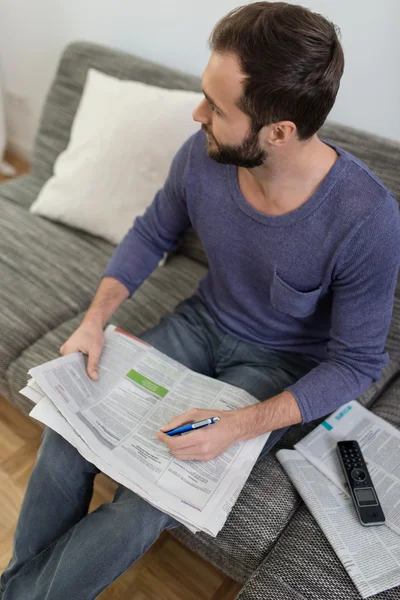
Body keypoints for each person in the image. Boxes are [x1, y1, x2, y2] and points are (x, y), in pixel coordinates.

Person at [2, 2, 400, 598]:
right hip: (200, 323)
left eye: (217, 106)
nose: (198, 114)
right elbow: (151, 232)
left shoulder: (366, 219)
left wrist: (239, 426)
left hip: (278, 366)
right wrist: (94, 321)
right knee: (70, 429)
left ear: (278, 132)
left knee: (150, 497)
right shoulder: (203, 154)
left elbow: (358, 363)